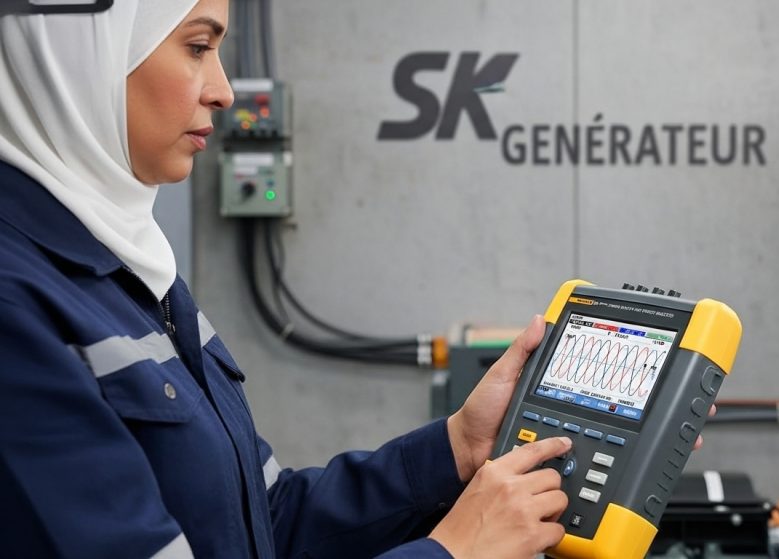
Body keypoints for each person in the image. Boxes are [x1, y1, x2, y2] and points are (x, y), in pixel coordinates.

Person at [0, 1, 708, 557]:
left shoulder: (134, 273)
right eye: (197, 46)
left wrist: (459, 447)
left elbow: (268, 522)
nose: (223, 90)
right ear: (79, 57)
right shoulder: (17, 307)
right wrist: (454, 550)